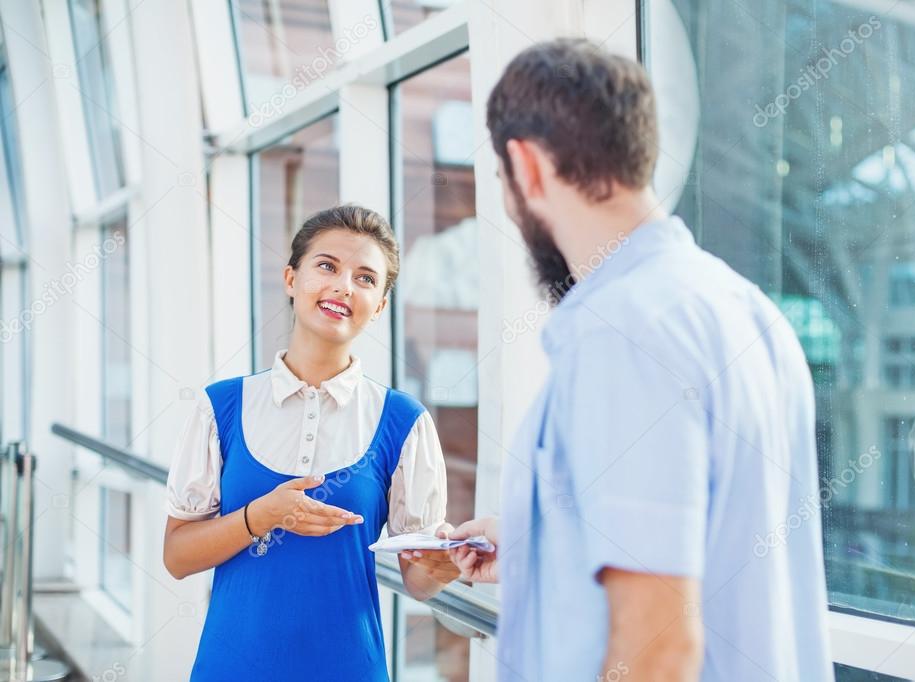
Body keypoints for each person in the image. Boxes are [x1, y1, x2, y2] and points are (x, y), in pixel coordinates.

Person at [446, 39, 834, 681]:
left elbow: (658, 650)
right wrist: (534, 541)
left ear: (528, 167)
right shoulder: (748, 310)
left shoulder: (621, 330)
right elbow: (713, 539)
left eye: (501, 182)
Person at [163, 204, 460, 681]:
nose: (343, 286)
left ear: (380, 304)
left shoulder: (404, 422)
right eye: (327, 266)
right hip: (230, 668)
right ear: (290, 279)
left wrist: (444, 564)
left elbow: (418, 580)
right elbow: (177, 557)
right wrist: (258, 517)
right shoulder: (221, 407)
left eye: (366, 278)